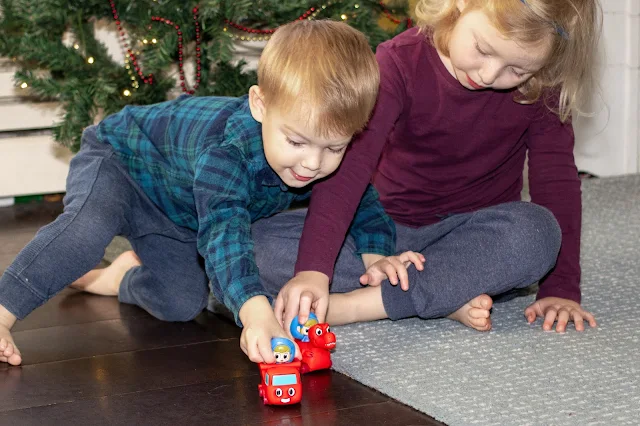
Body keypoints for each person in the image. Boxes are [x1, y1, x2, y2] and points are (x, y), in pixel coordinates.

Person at [0, 20, 424, 366]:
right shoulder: (228, 151)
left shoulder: (320, 153)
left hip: (178, 210)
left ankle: (115, 277)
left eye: (333, 147)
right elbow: (224, 232)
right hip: (123, 163)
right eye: (297, 142)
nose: (313, 163)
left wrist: (375, 254)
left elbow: (358, 199)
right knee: (85, 233)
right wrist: (254, 312)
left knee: (181, 303)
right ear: (259, 105)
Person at [253, 0, 601, 334]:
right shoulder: (399, 62)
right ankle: (442, 296)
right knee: (257, 245)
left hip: (471, 241)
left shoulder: (544, 86)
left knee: (536, 234)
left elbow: (556, 181)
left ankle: (358, 306)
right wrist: (314, 270)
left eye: (518, 69)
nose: (490, 73)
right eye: (483, 48)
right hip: (383, 237)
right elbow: (349, 173)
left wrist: (560, 287)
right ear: (462, 2)